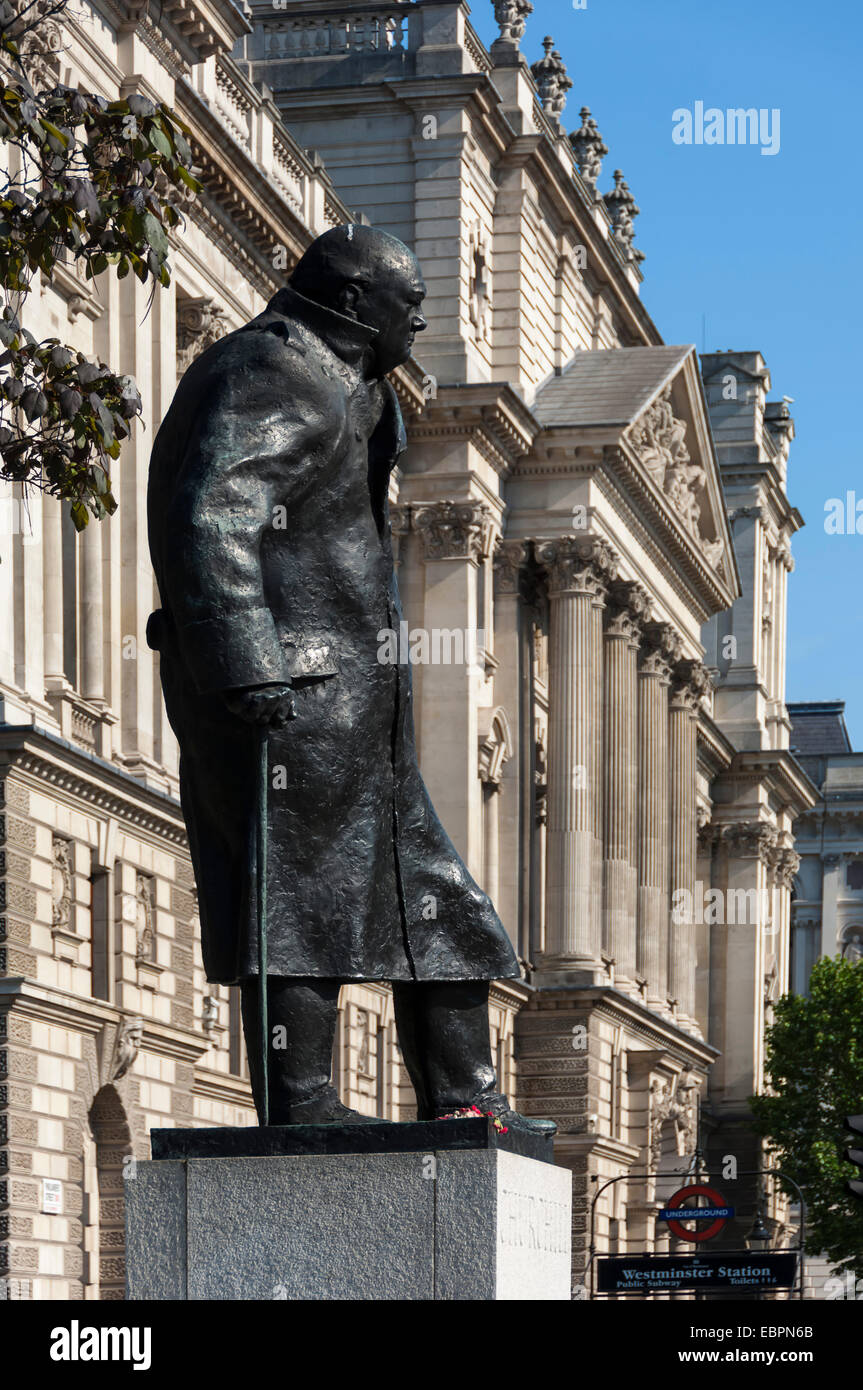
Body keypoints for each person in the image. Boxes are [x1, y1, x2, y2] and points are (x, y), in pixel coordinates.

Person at [147, 224, 555, 1136]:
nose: (419, 319)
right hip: (286, 697)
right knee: (297, 900)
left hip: (350, 708)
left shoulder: (348, 381)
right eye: (407, 305)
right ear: (352, 302)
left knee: (437, 902)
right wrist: (249, 668)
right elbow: (211, 513)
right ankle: (301, 1105)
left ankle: (463, 1097)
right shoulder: (273, 369)